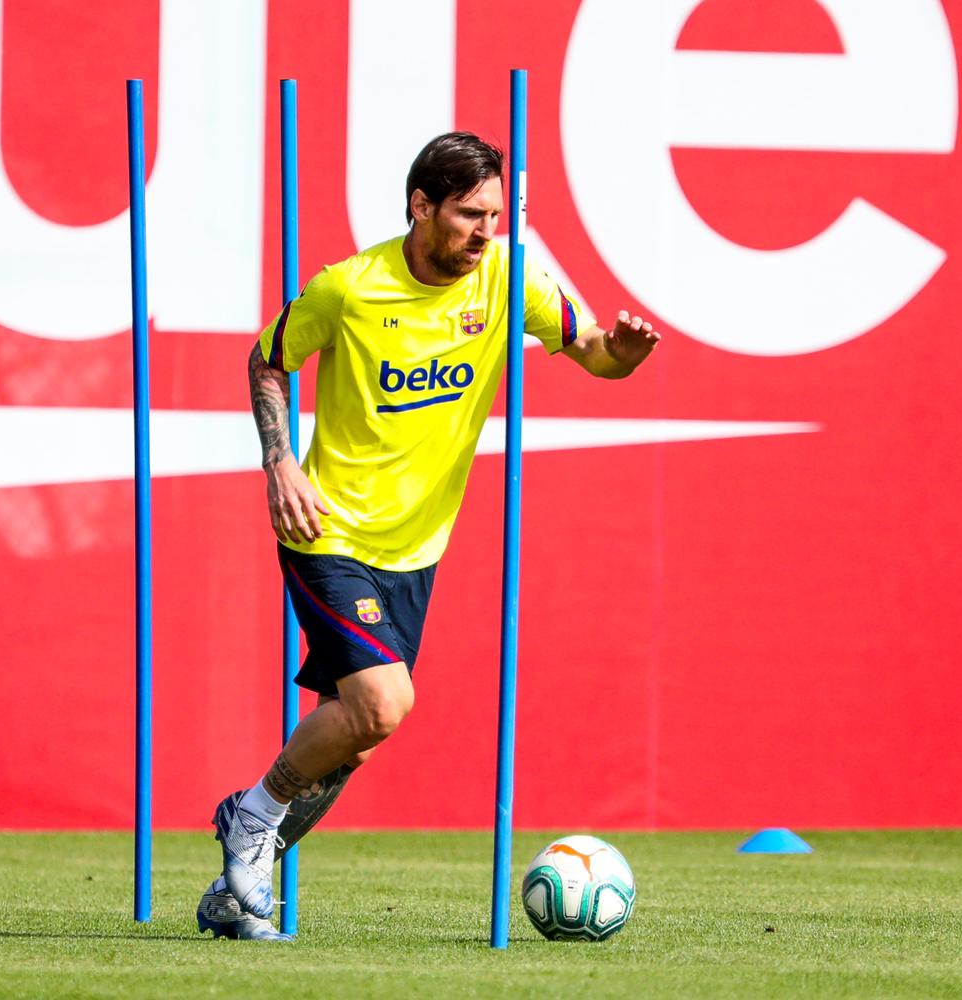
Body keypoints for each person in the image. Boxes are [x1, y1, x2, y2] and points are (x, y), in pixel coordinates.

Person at [197, 132, 660, 941]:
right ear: (421, 206)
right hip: (327, 525)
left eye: (497, 215)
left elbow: (590, 351)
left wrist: (619, 356)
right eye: (469, 215)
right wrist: (279, 462)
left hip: (417, 550)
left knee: (352, 740)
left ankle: (238, 889)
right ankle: (251, 814)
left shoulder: (513, 281)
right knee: (383, 704)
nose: (487, 233)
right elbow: (269, 360)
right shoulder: (348, 287)